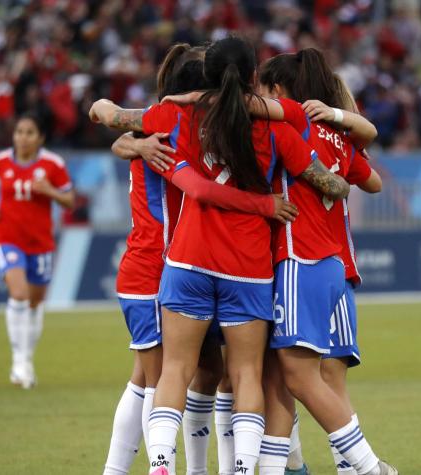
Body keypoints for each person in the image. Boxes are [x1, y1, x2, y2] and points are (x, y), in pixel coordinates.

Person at [90, 36, 351, 475]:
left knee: (173, 370)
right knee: (244, 373)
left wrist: (144, 132)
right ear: (253, 77)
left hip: (184, 261)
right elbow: (333, 183)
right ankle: (243, 469)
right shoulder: (276, 126)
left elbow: (105, 113)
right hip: (245, 267)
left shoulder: (172, 116)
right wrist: (272, 201)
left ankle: (161, 465)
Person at [254, 49, 395, 475]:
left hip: (301, 258)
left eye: (264, 90)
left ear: (279, 91)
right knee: (289, 377)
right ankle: (289, 468)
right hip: (336, 265)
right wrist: (344, 122)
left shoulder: (291, 120)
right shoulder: (336, 134)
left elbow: (248, 106)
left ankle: (368, 468)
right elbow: (371, 181)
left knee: (296, 377)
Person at [0, 114, 76, 389]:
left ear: (40, 138)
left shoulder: (52, 165)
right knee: (19, 294)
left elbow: (69, 200)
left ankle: (27, 360)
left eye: (29, 132)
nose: (22, 137)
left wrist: (49, 191)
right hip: (6, 237)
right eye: (19, 131)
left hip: (40, 242)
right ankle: (18, 360)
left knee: (34, 304)